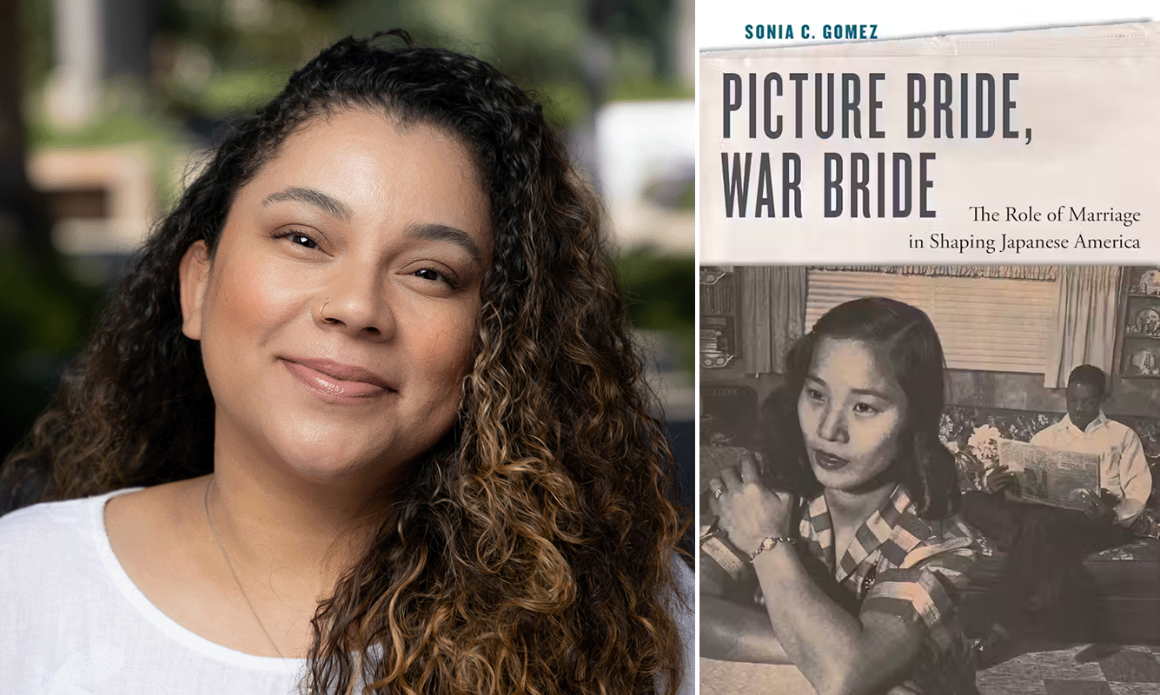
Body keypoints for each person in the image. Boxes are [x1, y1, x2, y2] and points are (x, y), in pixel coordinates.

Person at [0, 32, 692, 695]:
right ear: (198, 287)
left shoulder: (654, 627)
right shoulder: (22, 584)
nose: (356, 306)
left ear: (500, 339)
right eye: (303, 237)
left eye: (429, 272)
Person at [701, 297, 979, 695]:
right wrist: (818, 647)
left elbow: (844, 678)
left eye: (864, 406)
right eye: (816, 395)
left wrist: (768, 543)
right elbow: (687, 607)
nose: (829, 430)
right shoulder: (772, 492)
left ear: (912, 419)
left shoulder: (937, 541)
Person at [964, 364, 1152, 662]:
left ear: (1101, 399)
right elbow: (1022, 482)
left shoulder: (1122, 437)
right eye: (1073, 401)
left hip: (1097, 519)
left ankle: (1001, 630)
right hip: (1047, 516)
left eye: (1087, 402)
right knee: (973, 500)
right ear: (1066, 396)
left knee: (1037, 524)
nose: (1078, 409)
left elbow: (1138, 491)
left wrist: (1112, 513)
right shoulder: (1047, 436)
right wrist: (996, 483)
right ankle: (1025, 539)